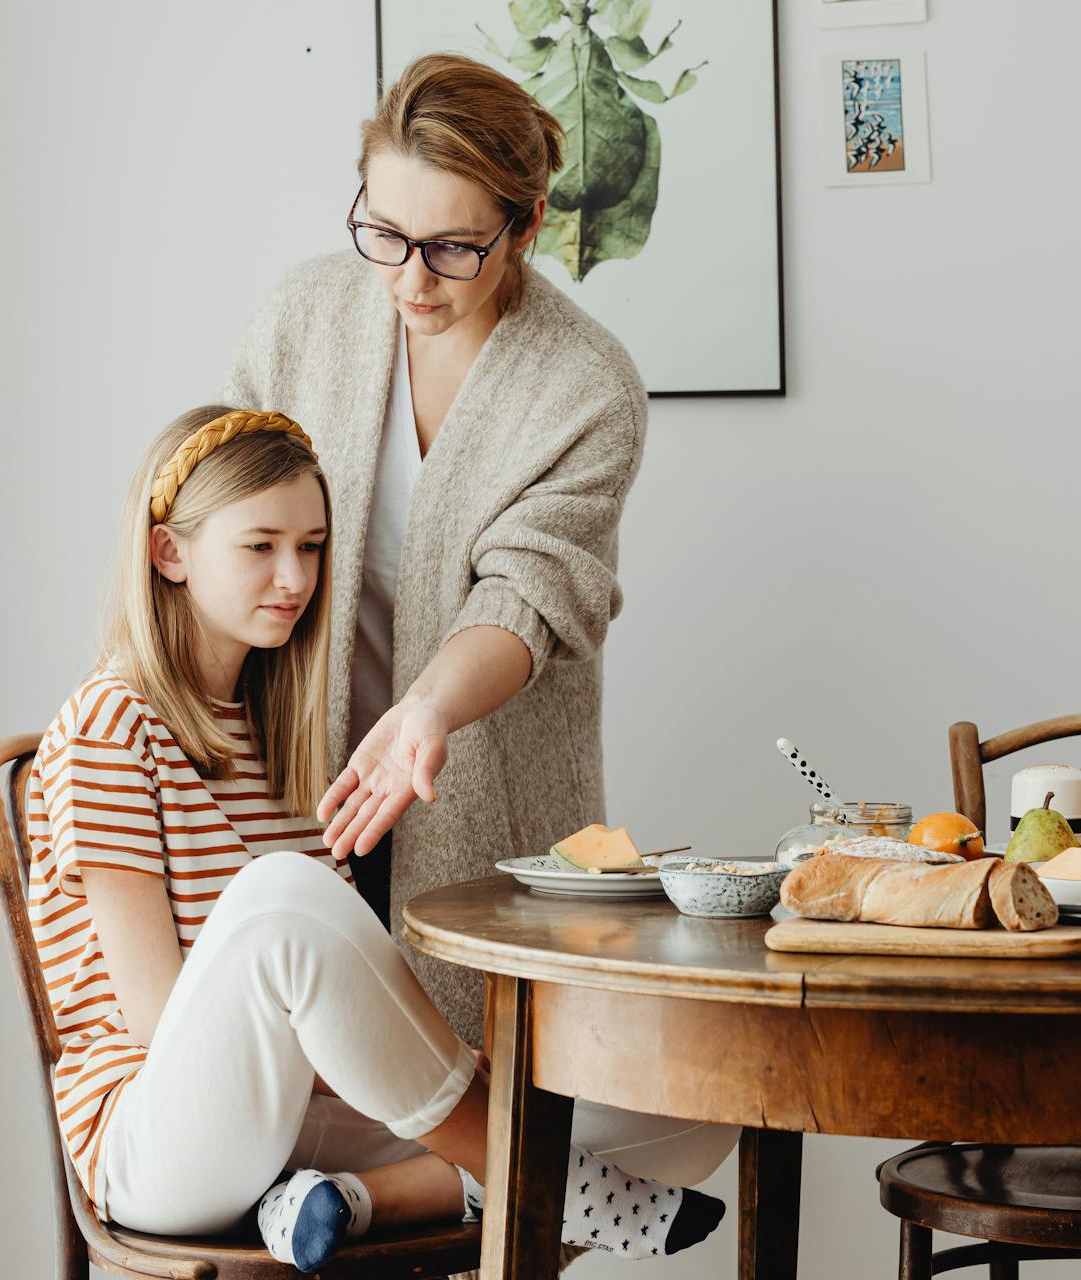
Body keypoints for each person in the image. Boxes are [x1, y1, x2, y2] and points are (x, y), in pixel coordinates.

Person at [24, 408, 730, 1270]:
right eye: (261, 546)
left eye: (314, 547)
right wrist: (431, 1077)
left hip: (290, 1127)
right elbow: (159, 1020)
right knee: (282, 895)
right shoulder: (110, 723)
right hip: (160, 1138)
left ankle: (337, 1206)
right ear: (170, 553)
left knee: (697, 1102)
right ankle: (523, 1167)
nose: (294, 576)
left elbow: (330, 990)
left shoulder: (278, 734)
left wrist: (436, 1071)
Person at [217, 53, 648, 1045]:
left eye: (453, 248)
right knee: (304, 1071)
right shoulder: (304, 318)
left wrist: (427, 709)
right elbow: (220, 522)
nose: (410, 278)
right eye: (385, 232)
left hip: (476, 795)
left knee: (483, 1073)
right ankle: (348, 1206)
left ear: (526, 226)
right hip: (295, 785)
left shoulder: (585, 385)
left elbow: (529, 591)